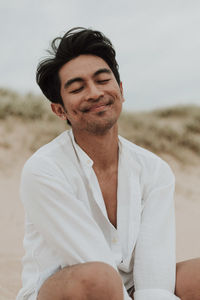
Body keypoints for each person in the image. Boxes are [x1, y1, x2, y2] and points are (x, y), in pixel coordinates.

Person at [17, 27, 200, 300]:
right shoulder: (44, 170)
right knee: (100, 280)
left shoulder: (154, 170)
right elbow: (97, 267)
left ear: (121, 90)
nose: (94, 93)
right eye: (78, 88)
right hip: (69, 289)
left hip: (129, 289)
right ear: (59, 109)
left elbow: (154, 276)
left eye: (103, 80)